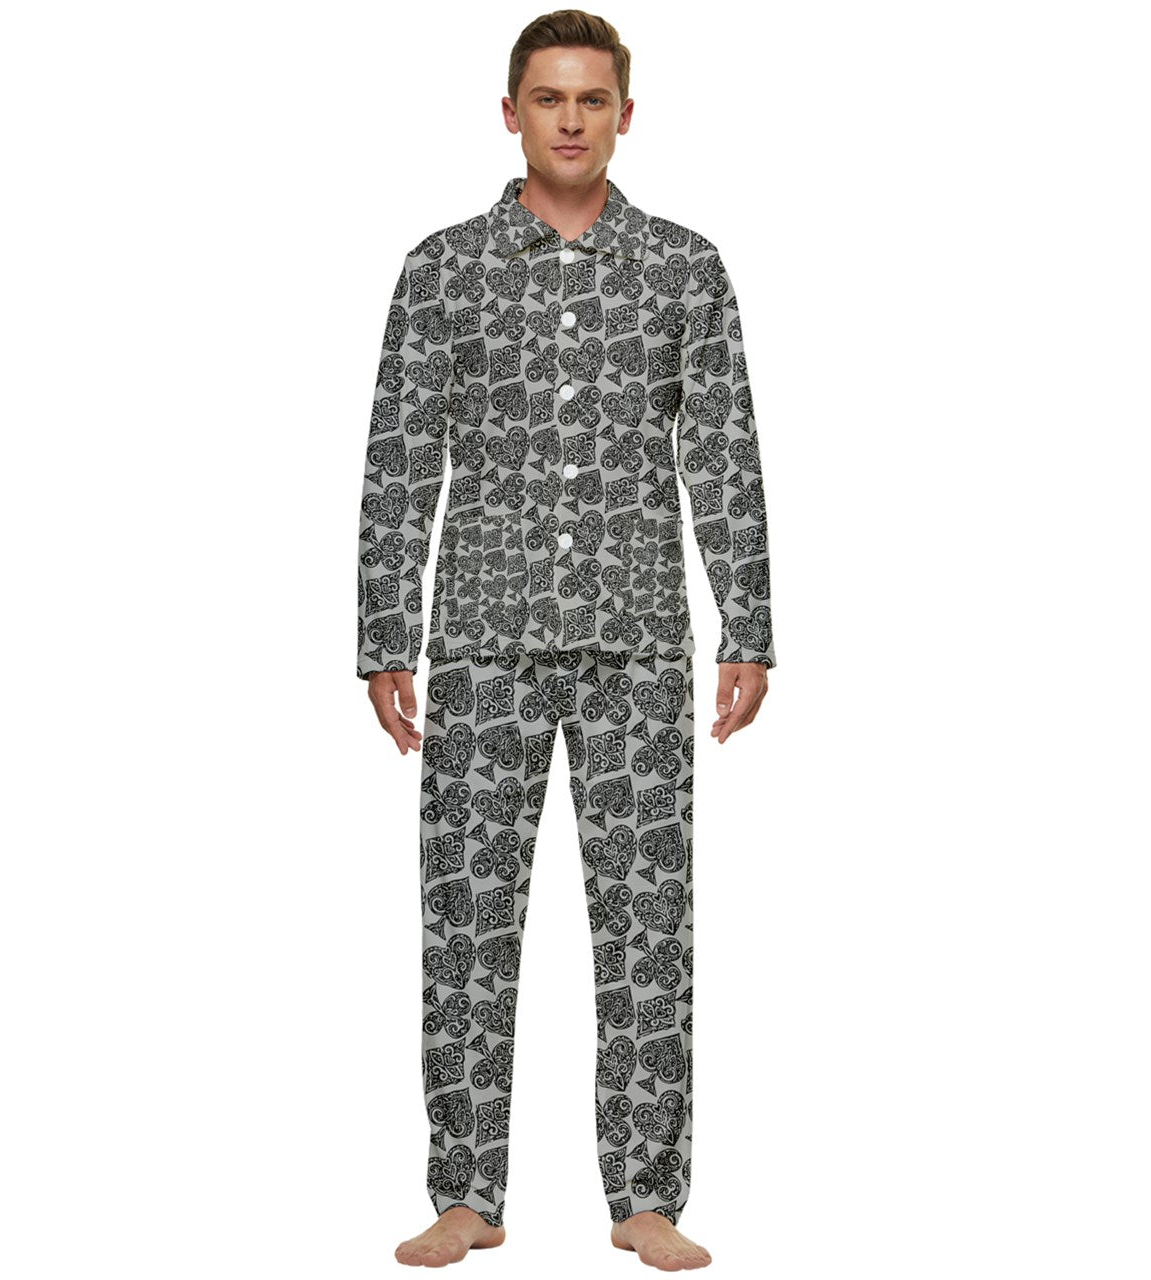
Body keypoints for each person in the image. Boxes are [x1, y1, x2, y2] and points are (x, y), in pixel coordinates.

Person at [356, 11, 775, 1271]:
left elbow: (721, 451)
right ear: (510, 113)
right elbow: (399, 457)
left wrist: (746, 622)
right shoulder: (443, 269)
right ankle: (465, 1193)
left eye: (592, 99)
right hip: (480, 638)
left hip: (635, 640)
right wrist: (384, 633)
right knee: (465, 923)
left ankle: (645, 1195)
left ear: (625, 115)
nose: (572, 119)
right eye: (549, 98)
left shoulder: (683, 268)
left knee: (648, 926)